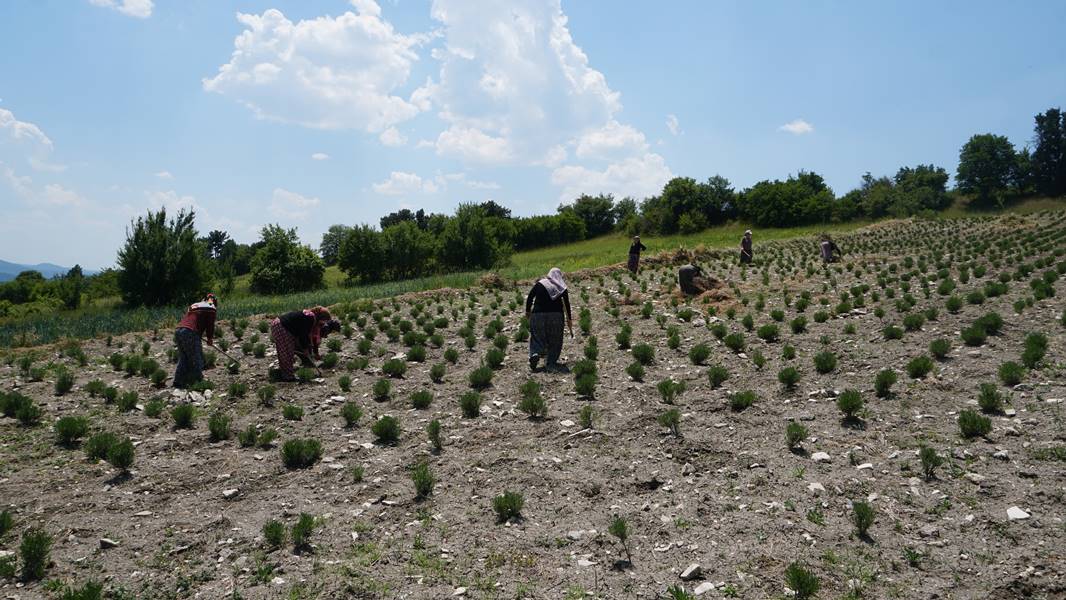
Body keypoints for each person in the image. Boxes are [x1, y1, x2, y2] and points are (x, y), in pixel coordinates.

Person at [525, 267, 573, 371]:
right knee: (555, 339)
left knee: (537, 336)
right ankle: (551, 363)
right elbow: (567, 304)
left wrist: (528, 311)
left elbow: (530, 297)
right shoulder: (561, 286)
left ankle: (535, 353)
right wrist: (569, 319)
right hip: (556, 316)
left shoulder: (540, 283)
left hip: (538, 315)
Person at [270, 306, 335, 381]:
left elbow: (302, 333)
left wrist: (306, 347)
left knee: (287, 351)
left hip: (279, 325)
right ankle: (288, 377)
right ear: (321, 318)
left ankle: (286, 373)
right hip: (282, 327)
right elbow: (303, 335)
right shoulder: (310, 318)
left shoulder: (310, 316)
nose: (323, 324)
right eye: (324, 321)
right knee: (287, 352)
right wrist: (305, 349)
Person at [173, 293, 217, 389]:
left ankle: (178, 381)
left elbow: (192, 319)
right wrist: (210, 338)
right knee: (197, 358)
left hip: (179, 330)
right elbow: (210, 325)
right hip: (190, 331)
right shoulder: (211, 307)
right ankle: (198, 382)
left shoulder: (195, 305)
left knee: (184, 357)